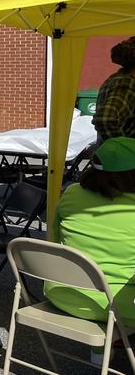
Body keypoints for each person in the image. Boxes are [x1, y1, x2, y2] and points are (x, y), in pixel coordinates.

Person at [45, 137, 135, 329]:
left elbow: (56, 237)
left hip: (62, 293)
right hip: (117, 306)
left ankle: (104, 350)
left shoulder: (71, 193)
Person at [93, 36, 135, 144]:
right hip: (125, 160)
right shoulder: (126, 83)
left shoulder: (119, 78)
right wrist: (123, 148)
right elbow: (105, 119)